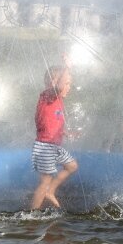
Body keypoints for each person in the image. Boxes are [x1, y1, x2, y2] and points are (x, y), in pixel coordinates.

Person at [31, 65, 78, 210]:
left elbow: (51, 124)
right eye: (67, 83)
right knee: (44, 182)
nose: (69, 87)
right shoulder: (48, 96)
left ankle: (50, 191)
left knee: (72, 166)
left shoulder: (57, 102)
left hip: (54, 146)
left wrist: (66, 133)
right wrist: (67, 66)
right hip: (45, 147)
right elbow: (58, 85)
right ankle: (31, 215)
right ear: (54, 83)